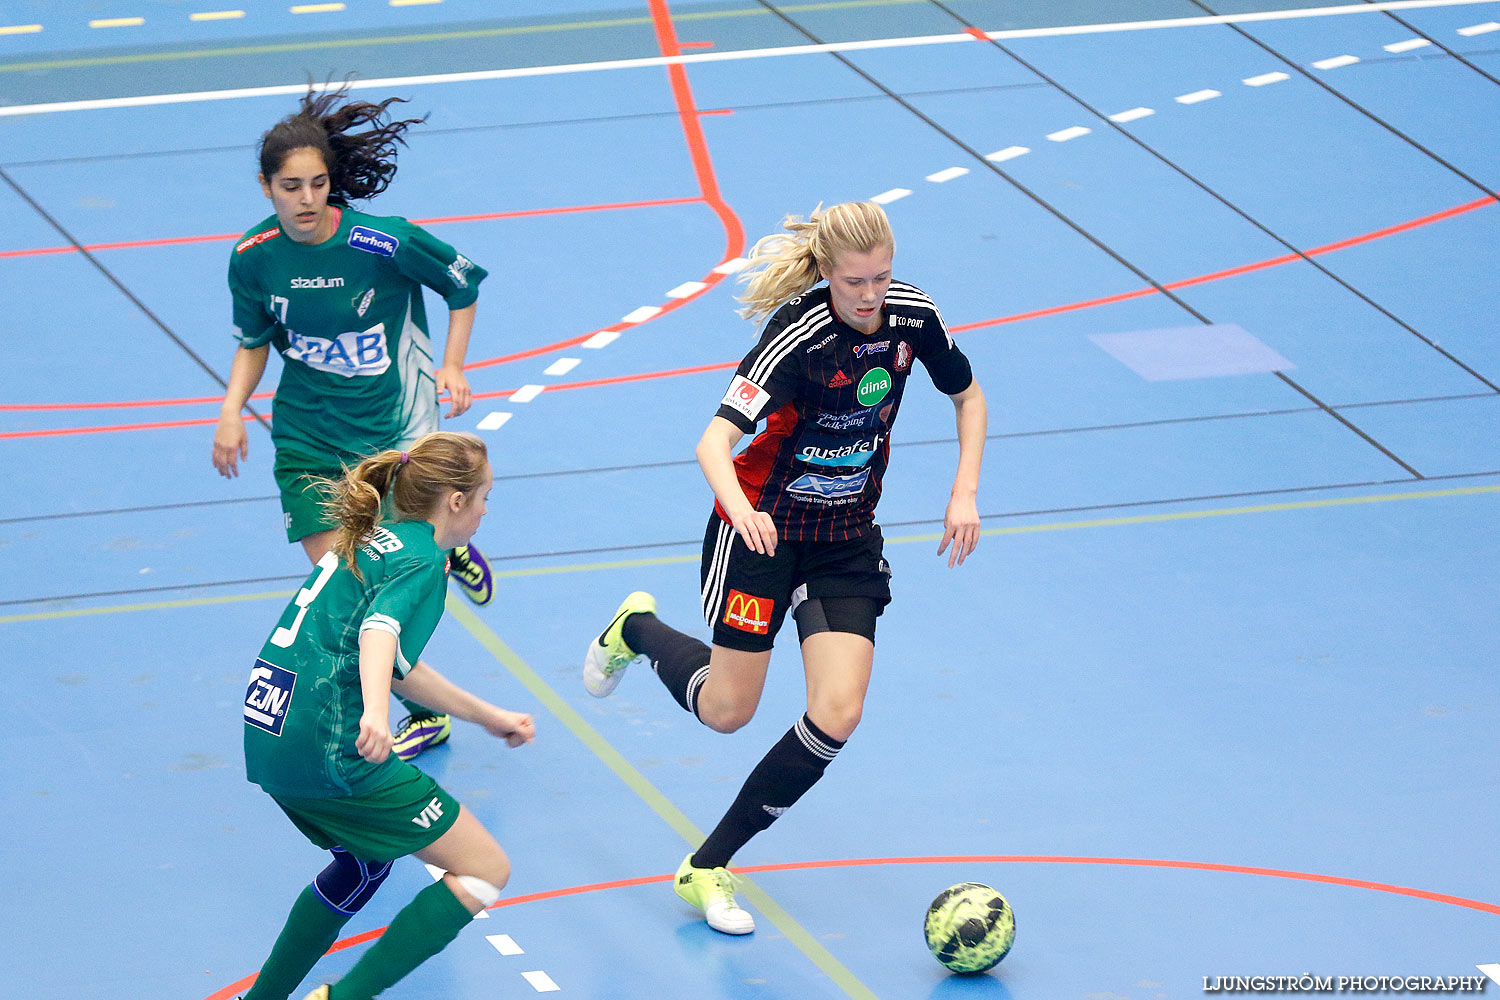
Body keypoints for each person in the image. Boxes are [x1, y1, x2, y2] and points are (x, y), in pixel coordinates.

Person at [582, 201, 987, 934]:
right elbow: (713, 442)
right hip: (762, 536)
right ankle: (636, 629)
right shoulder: (797, 339)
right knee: (728, 712)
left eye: (882, 278)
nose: (871, 296)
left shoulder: (912, 318)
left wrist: (964, 492)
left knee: (839, 711)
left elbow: (967, 394)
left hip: (844, 540)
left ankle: (707, 866)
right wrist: (739, 507)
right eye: (856, 281)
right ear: (827, 273)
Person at [213, 85, 494, 762]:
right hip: (308, 439)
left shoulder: (381, 240)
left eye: (317, 184)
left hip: (393, 435)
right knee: (352, 582)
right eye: (290, 186)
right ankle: (427, 710)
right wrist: (230, 413)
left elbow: (463, 284)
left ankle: (445, 539)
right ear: (265, 187)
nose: (306, 200)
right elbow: (254, 340)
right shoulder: (253, 259)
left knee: (392, 578)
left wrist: (453, 366)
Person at [239, 431, 534, 1000]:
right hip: (329, 739)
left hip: (271, 722)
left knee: (366, 861)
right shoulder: (423, 560)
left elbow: (396, 663)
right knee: (483, 868)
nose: (485, 511)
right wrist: (375, 711)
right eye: (484, 497)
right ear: (454, 501)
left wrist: (486, 715)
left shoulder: (375, 539)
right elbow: (380, 632)